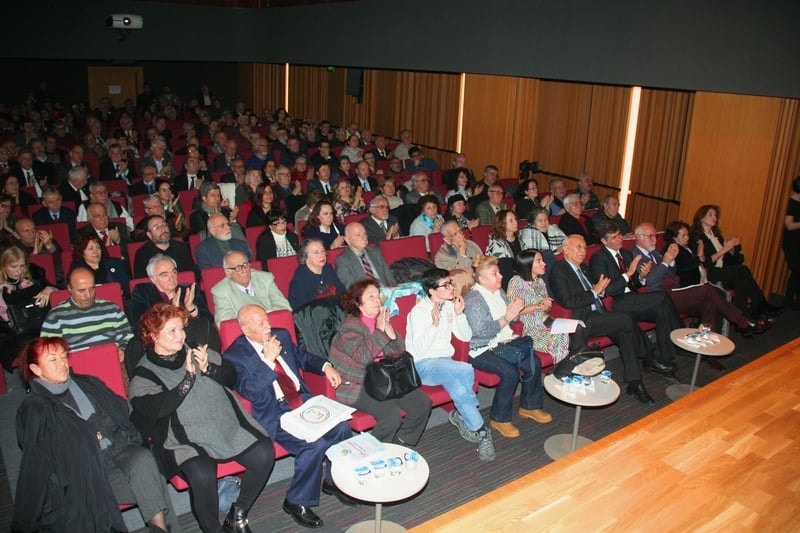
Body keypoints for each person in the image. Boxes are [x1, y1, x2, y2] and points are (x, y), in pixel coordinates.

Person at [129, 303, 274, 533]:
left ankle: (238, 513)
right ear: (154, 336)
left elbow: (230, 376)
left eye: (181, 329)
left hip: (225, 425)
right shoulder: (145, 372)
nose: (181, 336)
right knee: (203, 474)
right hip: (184, 439)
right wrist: (187, 379)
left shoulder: (195, 350)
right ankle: (211, 528)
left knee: (265, 453)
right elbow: (153, 409)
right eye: (172, 331)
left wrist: (208, 368)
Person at [13, 337, 179, 533]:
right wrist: (24, 522)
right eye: (53, 360)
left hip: (116, 451)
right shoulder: (36, 410)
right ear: (36, 369)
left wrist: (104, 430)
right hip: (84, 476)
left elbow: (122, 415)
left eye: (63, 356)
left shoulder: (87, 384)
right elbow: (36, 464)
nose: (62, 364)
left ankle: (160, 530)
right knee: (154, 482)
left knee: (143, 460)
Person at [224, 305, 354, 528]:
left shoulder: (280, 335)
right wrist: (267, 361)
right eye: (261, 323)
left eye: (267, 320)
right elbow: (250, 392)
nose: (268, 327)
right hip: (275, 413)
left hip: (301, 402)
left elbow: (302, 357)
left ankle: (333, 481)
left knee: (342, 427)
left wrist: (326, 366)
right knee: (313, 445)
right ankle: (295, 501)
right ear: (245, 329)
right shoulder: (235, 356)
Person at [549, 235, 655, 404]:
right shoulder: (558, 270)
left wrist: (603, 288)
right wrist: (594, 292)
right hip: (583, 320)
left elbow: (600, 290)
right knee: (626, 319)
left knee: (625, 332)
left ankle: (635, 382)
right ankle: (648, 353)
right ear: (565, 250)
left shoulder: (583, 267)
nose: (583, 251)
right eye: (578, 247)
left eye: (584, 247)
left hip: (600, 314)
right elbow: (568, 302)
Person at [406, 268, 495, 461]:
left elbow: (466, 336)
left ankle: (481, 431)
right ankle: (467, 414)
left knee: (459, 390)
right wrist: (434, 325)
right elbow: (418, 351)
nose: (451, 287)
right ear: (432, 291)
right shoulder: (418, 312)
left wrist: (460, 314)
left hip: (446, 364)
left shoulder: (448, 307)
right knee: (466, 369)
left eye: (450, 283)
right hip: (423, 366)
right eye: (445, 285)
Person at [328, 279, 432, 444]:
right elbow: (362, 357)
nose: (377, 300)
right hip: (356, 383)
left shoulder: (381, 321)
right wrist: (380, 331)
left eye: (378, 296)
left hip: (384, 376)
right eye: (371, 297)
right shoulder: (348, 329)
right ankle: (367, 450)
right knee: (391, 417)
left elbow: (398, 352)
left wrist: (389, 331)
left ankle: (402, 441)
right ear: (358, 303)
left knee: (422, 403)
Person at [463, 255, 552, 438]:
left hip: (503, 341)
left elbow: (514, 318)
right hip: (480, 348)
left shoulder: (498, 292)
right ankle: (499, 419)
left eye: (499, 273)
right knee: (509, 372)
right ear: (481, 279)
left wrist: (518, 309)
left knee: (532, 360)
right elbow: (481, 331)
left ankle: (530, 406)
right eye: (495, 274)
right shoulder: (474, 299)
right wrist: (508, 316)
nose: (500, 276)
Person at [633, 222, 772, 337]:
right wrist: (665, 262)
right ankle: (743, 323)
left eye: (655, 236)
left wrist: (670, 262)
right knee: (708, 290)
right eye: (651, 236)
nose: (655, 240)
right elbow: (651, 281)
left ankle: (706, 346)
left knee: (710, 305)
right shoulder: (635, 255)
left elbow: (670, 274)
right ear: (639, 237)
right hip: (660, 297)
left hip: (674, 291)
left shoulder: (655, 254)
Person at [590, 220, 681, 373]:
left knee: (662, 310)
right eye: (613, 237)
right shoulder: (598, 259)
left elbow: (635, 284)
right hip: (617, 303)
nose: (619, 239)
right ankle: (681, 337)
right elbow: (606, 290)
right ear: (604, 241)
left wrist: (641, 277)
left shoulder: (625, 253)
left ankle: (666, 357)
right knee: (663, 298)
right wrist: (628, 275)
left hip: (631, 299)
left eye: (619, 235)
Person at [690, 204, 781, 317]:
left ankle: (742, 315)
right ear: (701, 217)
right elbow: (705, 262)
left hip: (723, 270)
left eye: (716, 215)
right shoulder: (697, 237)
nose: (714, 217)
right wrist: (725, 249)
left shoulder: (717, 235)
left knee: (741, 279)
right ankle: (758, 306)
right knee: (743, 271)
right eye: (710, 214)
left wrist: (732, 249)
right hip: (710, 273)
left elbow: (728, 260)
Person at [41, 267, 133, 357]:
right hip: (77, 366)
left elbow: (128, 337)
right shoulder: (56, 316)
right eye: (81, 290)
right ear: (69, 288)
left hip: (111, 360)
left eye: (92, 289)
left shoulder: (112, 309)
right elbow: (49, 351)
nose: (88, 295)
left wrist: (123, 350)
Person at [507, 249, 570, 363]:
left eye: (542, 260)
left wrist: (547, 307)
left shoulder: (540, 282)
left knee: (573, 329)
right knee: (560, 337)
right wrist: (538, 306)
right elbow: (515, 311)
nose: (544, 264)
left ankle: (568, 365)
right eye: (539, 261)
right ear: (528, 264)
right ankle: (562, 368)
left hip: (544, 321)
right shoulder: (516, 282)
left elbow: (546, 309)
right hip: (529, 327)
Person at [0, 246, 55, 371]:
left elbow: (56, 288)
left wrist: (48, 289)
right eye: (13, 267)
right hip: (12, 332)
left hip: (37, 324)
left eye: (22, 266)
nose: (18, 271)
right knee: (35, 346)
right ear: (3, 266)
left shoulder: (31, 278)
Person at [211, 250, 291, 324]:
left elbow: (284, 306)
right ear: (228, 273)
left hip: (273, 324)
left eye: (245, 264)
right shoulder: (220, 291)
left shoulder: (265, 278)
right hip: (246, 334)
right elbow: (225, 322)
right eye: (238, 268)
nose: (244, 270)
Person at [288, 239, 346, 309]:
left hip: (333, 311)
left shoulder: (328, 268)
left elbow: (341, 291)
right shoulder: (301, 276)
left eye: (323, 251)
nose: (321, 255)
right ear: (306, 257)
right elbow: (303, 307)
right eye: (316, 253)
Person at [133, 214, 195, 279]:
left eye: (164, 225)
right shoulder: (142, 254)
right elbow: (141, 282)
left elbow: (193, 273)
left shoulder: (181, 247)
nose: (163, 229)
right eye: (157, 227)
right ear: (149, 235)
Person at [70, 233, 131, 298]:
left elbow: (128, 286)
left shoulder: (114, 263)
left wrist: (123, 291)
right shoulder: (77, 270)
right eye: (90, 249)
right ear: (81, 252)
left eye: (98, 247)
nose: (95, 251)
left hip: (118, 300)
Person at [336, 222, 396, 288]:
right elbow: (351, 288)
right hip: (364, 295)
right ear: (347, 240)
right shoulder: (343, 260)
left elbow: (389, 277)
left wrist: (392, 288)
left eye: (364, 233)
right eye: (358, 235)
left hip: (386, 291)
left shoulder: (375, 252)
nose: (364, 237)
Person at [782, 176, 800, 309]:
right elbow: (789, 225)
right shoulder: (793, 202)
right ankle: (789, 300)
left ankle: (794, 300)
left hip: (797, 240)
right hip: (791, 241)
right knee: (797, 269)